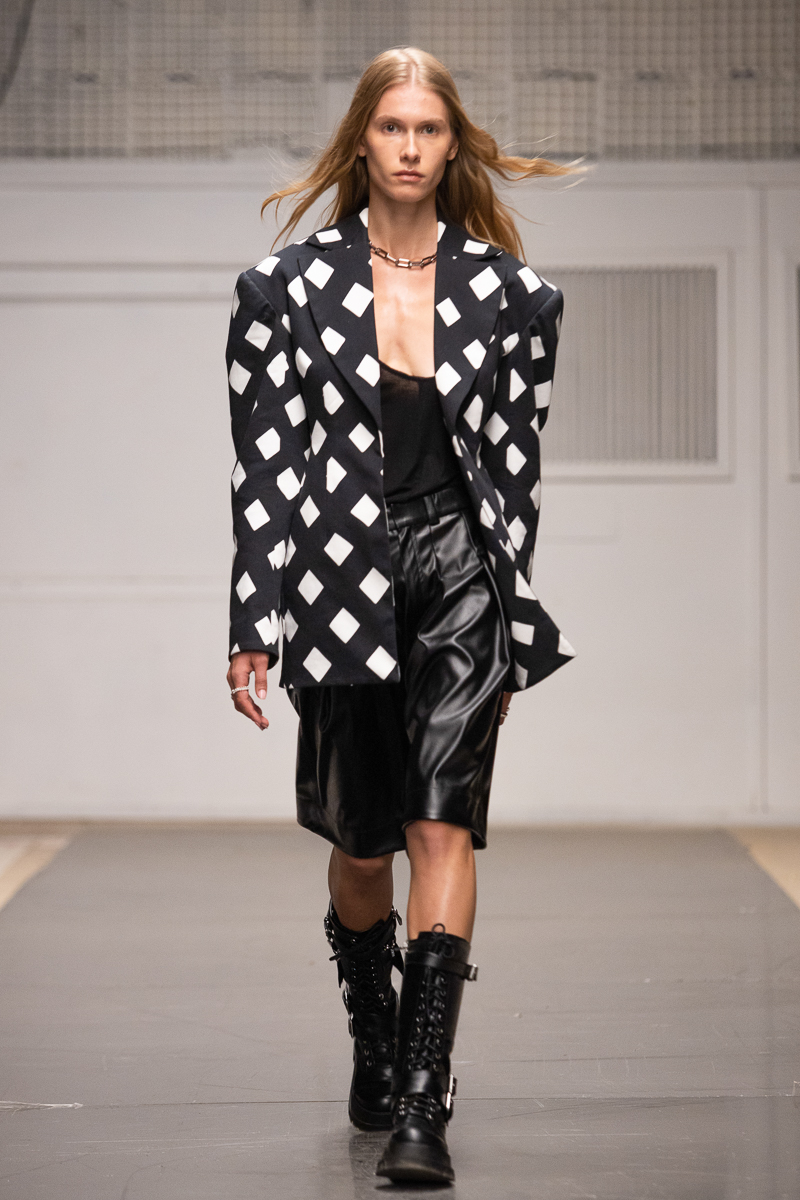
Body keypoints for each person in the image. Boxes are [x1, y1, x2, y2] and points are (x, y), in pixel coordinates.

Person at [224, 46, 577, 1185]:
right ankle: (373, 1036)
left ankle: (423, 1101)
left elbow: (514, 474)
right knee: (363, 845)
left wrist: (511, 620)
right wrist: (253, 618)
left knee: (442, 824)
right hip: (337, 577)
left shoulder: (513, 298)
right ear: (361, 141)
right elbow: (265, 470)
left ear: (452, 142)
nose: (412, 148)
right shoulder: (283, 290)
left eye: (429, 129)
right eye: (392, 128)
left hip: (459, 574)